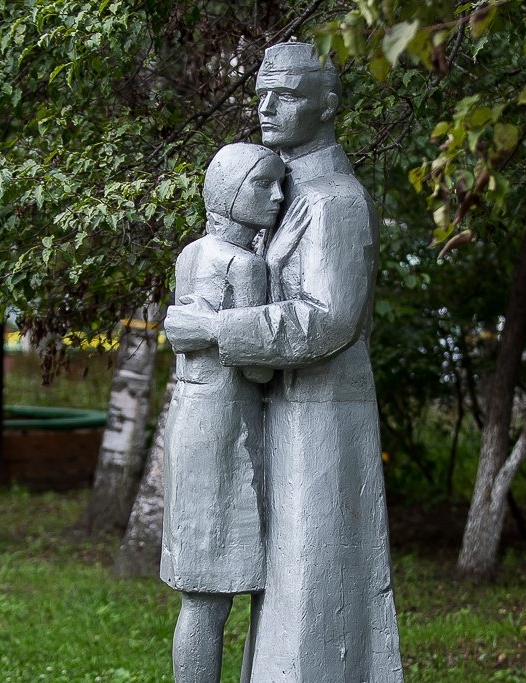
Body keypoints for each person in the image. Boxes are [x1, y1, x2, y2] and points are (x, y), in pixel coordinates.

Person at [165, 42, 404, 682]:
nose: (267, 107)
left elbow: (327, 319)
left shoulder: (335, 201)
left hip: (322, 419)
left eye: (288, 94)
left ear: (328, 104)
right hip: (278, 410)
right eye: (261, 93)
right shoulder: (279, 190)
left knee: (312, 585)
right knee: (285, 592)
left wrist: (215, 328)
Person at [161, 142, 284, 683]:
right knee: (214, 598)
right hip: (228, 428)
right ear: (231, 191)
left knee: (200, 596)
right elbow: (258, 370)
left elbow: (186, 329)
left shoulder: (192, 253)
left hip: (189, 415)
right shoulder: (246, 265)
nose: (277, 196)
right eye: (263, 185)